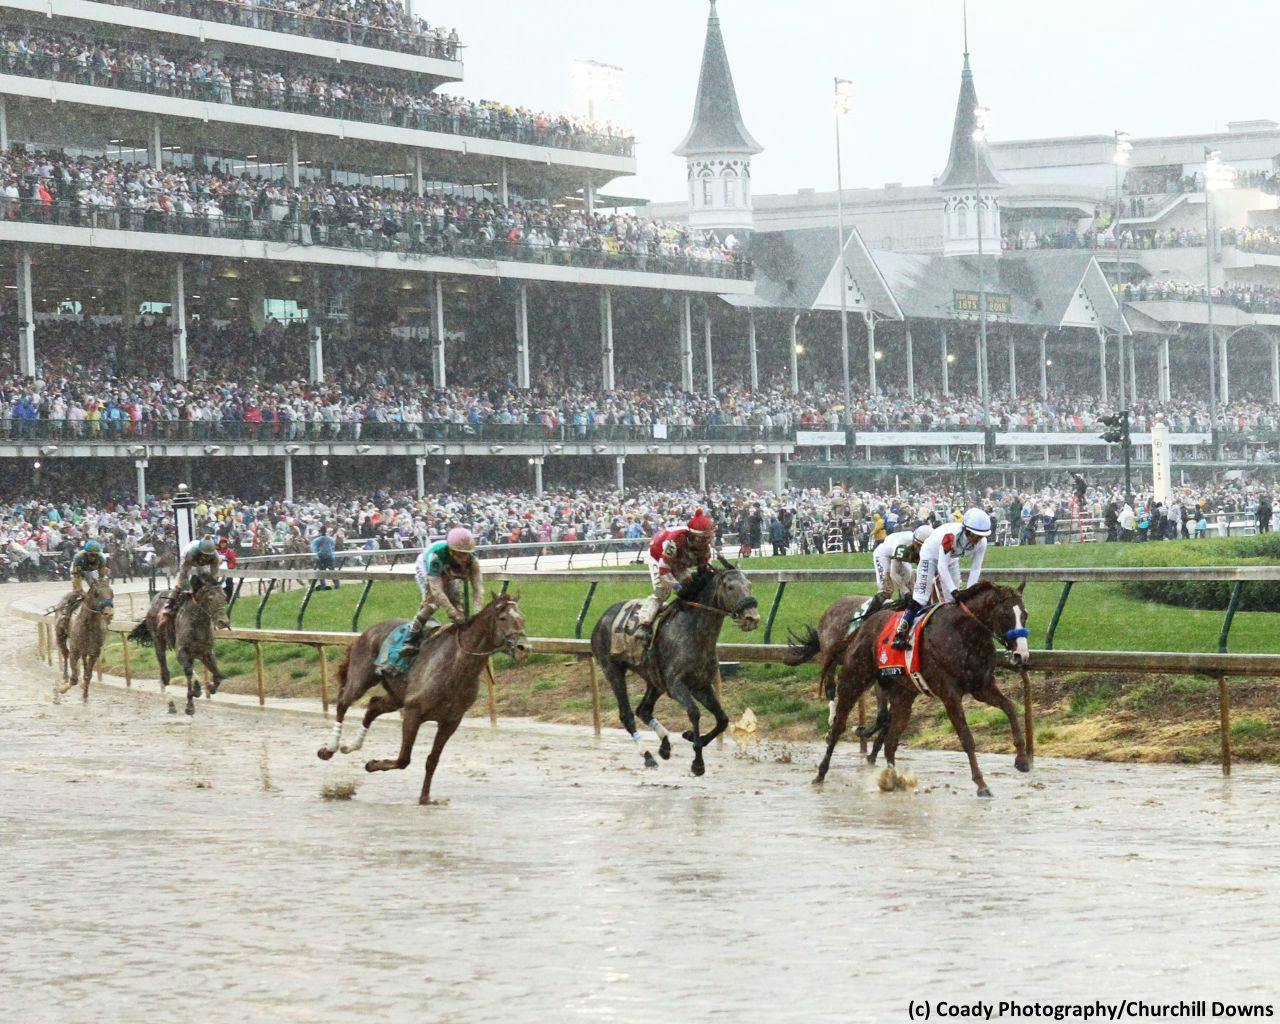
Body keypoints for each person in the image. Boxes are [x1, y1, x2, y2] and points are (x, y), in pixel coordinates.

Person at [892, 508, 991, 650]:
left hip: (951, 558)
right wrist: (955, 590)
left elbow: (975, 569)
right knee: (921, 597)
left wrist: (970, 591)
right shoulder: (950, 536)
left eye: (981, 536)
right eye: (975, 535)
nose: (977, 540)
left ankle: (951, 634)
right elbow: (941, 566)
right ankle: (900, 634)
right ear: (966, 530)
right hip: (930, 556)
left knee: (952, 601)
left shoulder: (982, 543)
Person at [638, 509, 716, 635]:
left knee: (691, 586)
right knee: (663, 591)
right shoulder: (674, 542)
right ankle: (644, 623)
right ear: (692, 536)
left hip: (679, 559)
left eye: (708, 539)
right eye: (702, 540)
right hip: (658, 555)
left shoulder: (705, 546)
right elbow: (663, 570)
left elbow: (704, 569)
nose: (706, 543)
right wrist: (677, 587)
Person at [407, 527, 483, 646]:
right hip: (427, 568)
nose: (464, 558)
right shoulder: (436, 558)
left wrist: (477, 612)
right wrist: (450, 611)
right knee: (432, 604)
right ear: (451, 551)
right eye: (461, 554)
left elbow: (478, 588)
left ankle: (461, 632)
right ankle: (411, 635)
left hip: (448, 570)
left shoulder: (472, 560)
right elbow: (437, 591)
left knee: (457, 598)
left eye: (467, 553)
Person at [162, 535, 222, 624]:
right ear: (200, 551)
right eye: (204, 554)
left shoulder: (215, 556)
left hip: (200, 561)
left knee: (205, 576)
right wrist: (186, 586)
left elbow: (214, 574)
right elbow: (184, 571)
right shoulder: (191, 551)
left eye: (208, 555)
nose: (206, 556)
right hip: (189, 558)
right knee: (181, 582)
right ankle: (169, 605)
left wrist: (213, 584)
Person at [311, 525, 338, 590]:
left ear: (320, 531)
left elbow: (314, 549)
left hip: (321, 557)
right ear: (326, 531)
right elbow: (333, 545)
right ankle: (337, 585)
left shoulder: (317, 540)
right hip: (329, 556)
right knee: (332, 571)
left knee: (321, 572)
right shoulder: (330, 539)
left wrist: (318, 553)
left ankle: (323, 586)